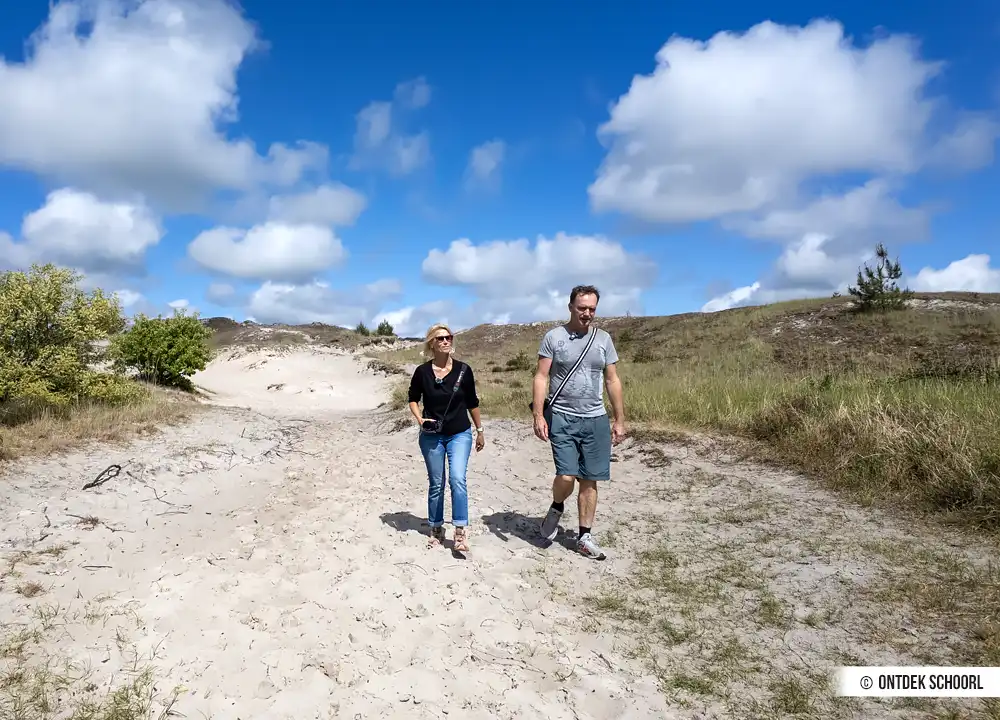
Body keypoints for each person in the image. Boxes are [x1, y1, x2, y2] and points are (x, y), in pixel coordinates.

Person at [531, 285, 625, 560]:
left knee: (590, 480)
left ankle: (585, 536)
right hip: (562, 415)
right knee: (566, 475)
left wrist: (619, 418)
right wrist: (538, 415)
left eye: (592, 309)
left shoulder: (603, 339)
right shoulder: (554, 337)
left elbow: (612, 380)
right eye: (582, 308)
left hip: (595, 418)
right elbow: (541, 377)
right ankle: (557, 505)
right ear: (570, 307)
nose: (587, 313)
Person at [407, 323, 485, 552]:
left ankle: (460, 531)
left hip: (460, 433)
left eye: (449, 337)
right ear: (432, 343)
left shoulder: (464, 370)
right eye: (440, 338)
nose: (446, 341)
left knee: (457, 479)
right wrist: (420, 419)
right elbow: (413, 398)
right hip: (432, 436)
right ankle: (436, 528)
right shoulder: (422, 372)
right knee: (437, 483)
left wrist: (480, 430)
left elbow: (473, 402)